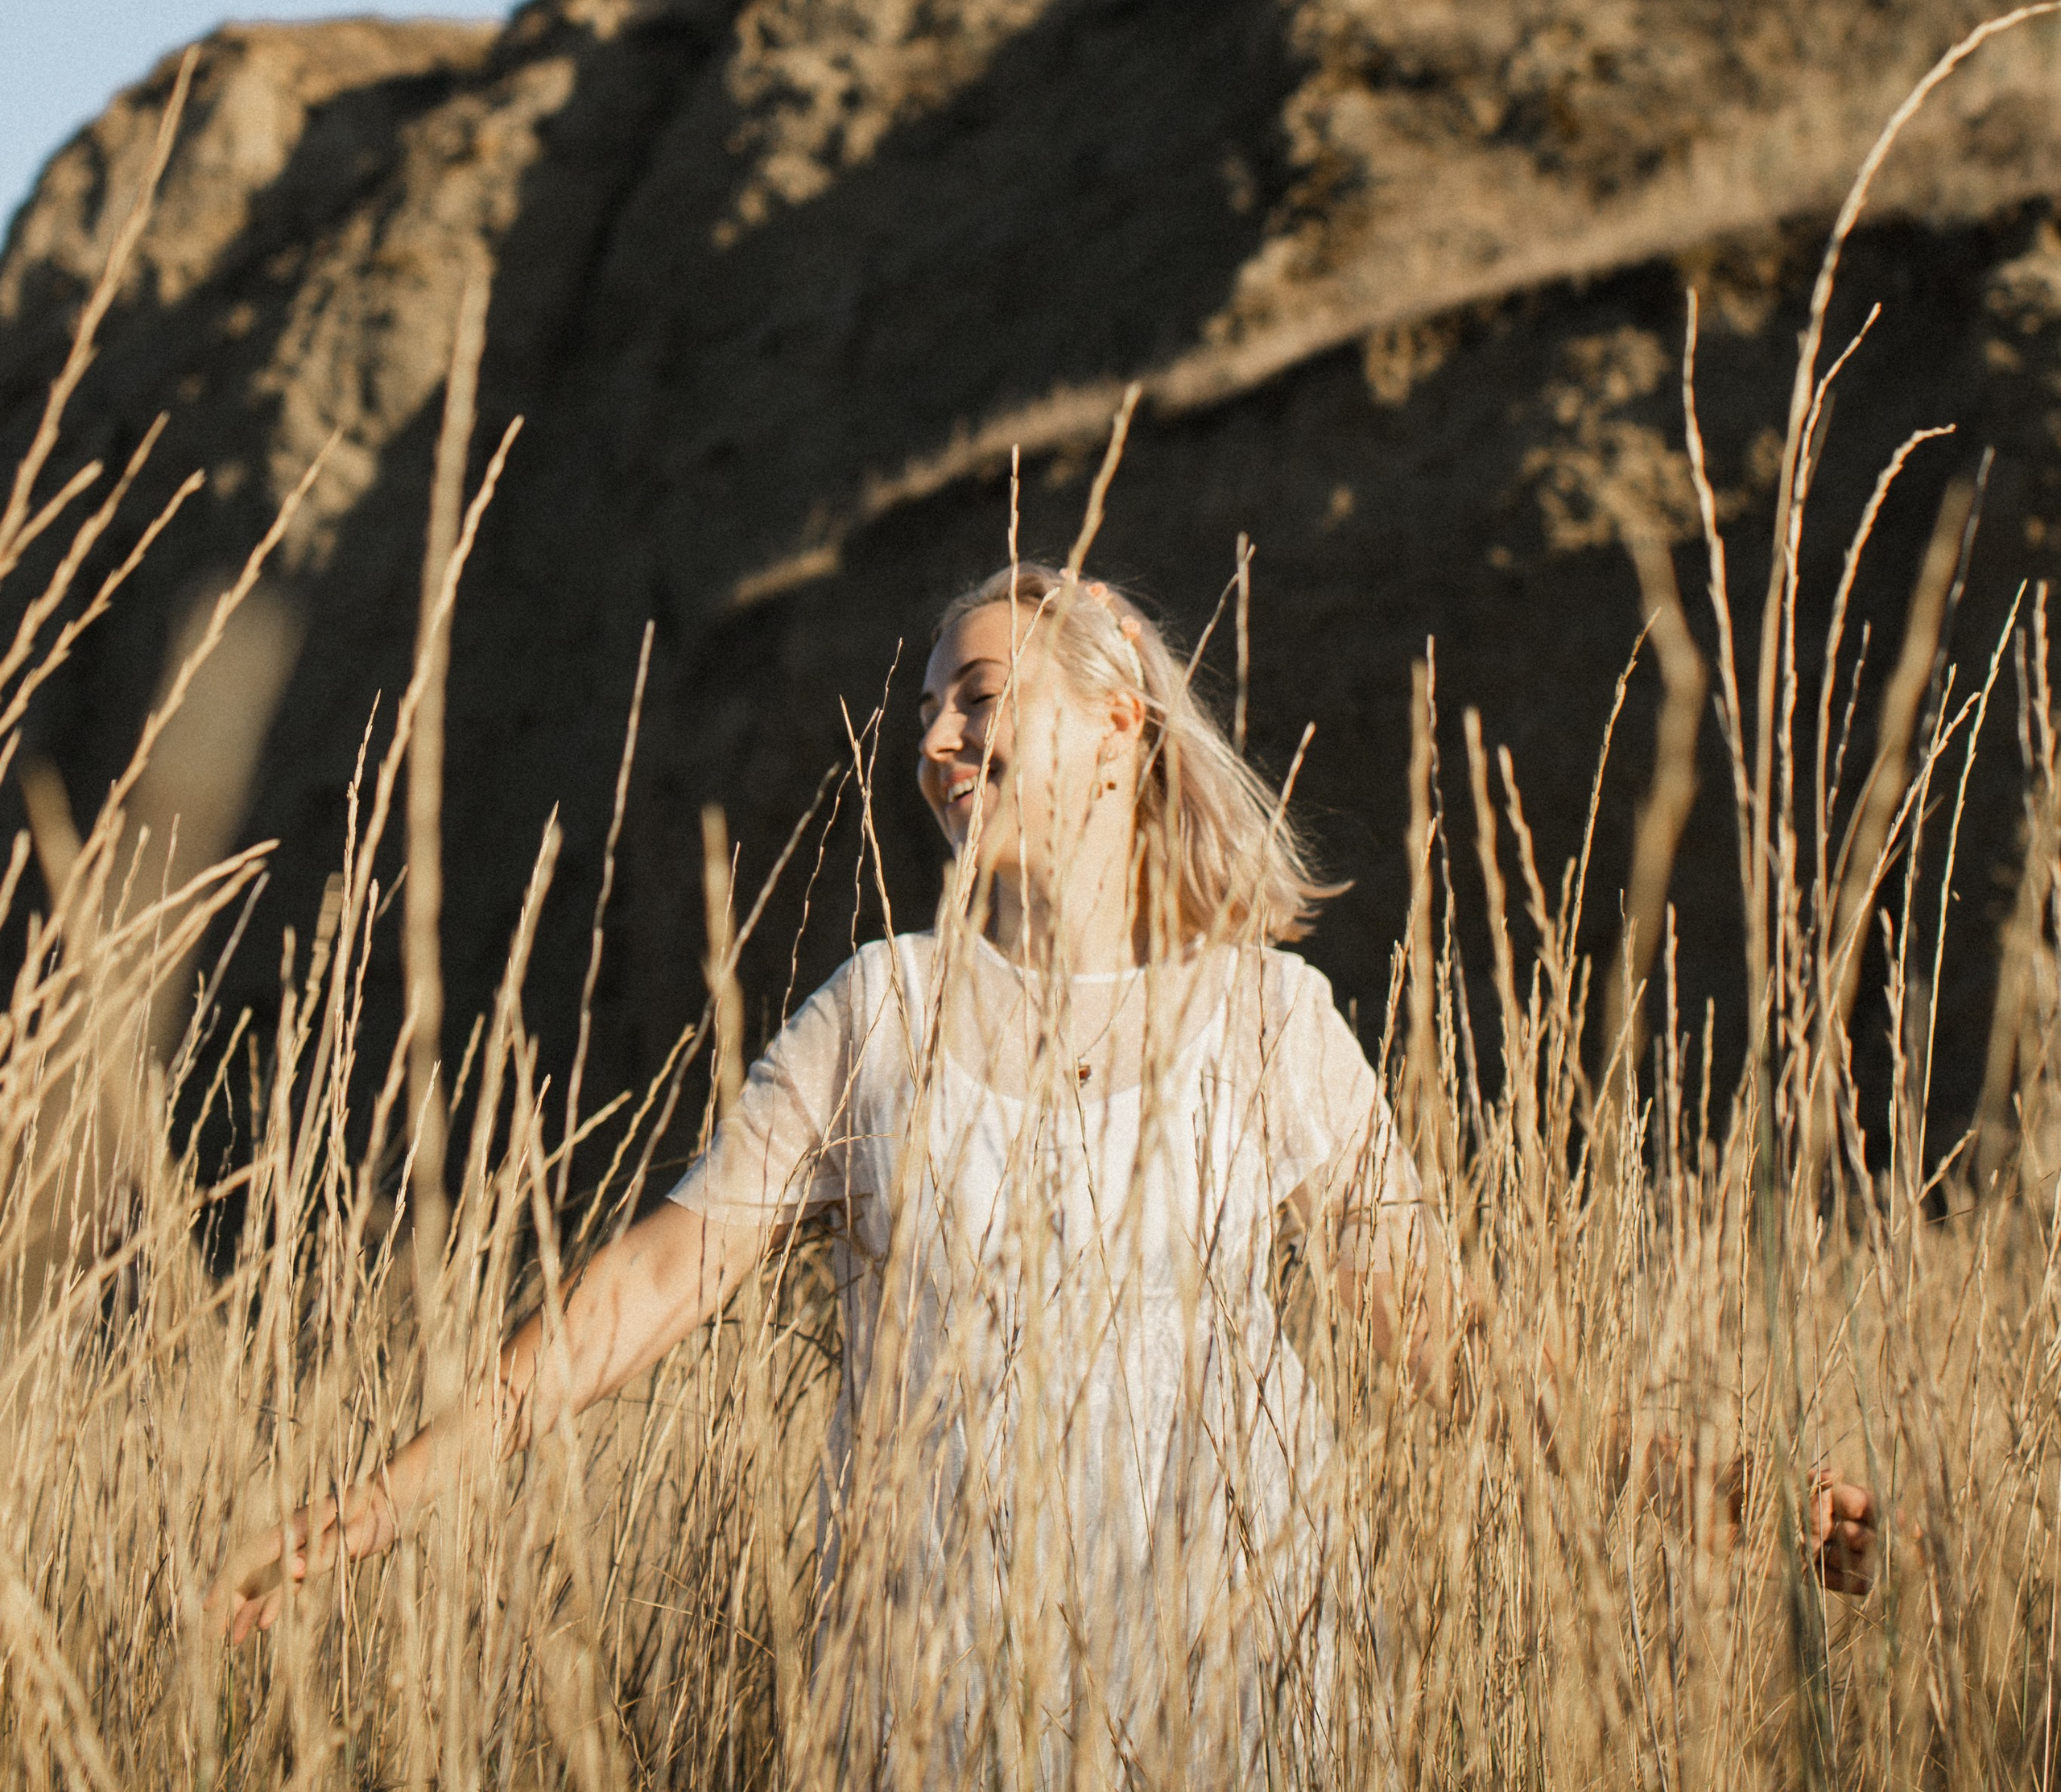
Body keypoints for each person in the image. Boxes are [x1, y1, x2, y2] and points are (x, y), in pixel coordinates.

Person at [214, 562, 1875, 1778]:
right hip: (935, 1662)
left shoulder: (1269, 1018)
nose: (934, 739)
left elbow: (1439, 1335)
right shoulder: (883, 1008)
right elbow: (654, 1279)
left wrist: (1702, 1489)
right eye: (926, 709)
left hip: (1237, 1643)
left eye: (976, 696)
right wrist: (375, 1507)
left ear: (1111, 727)